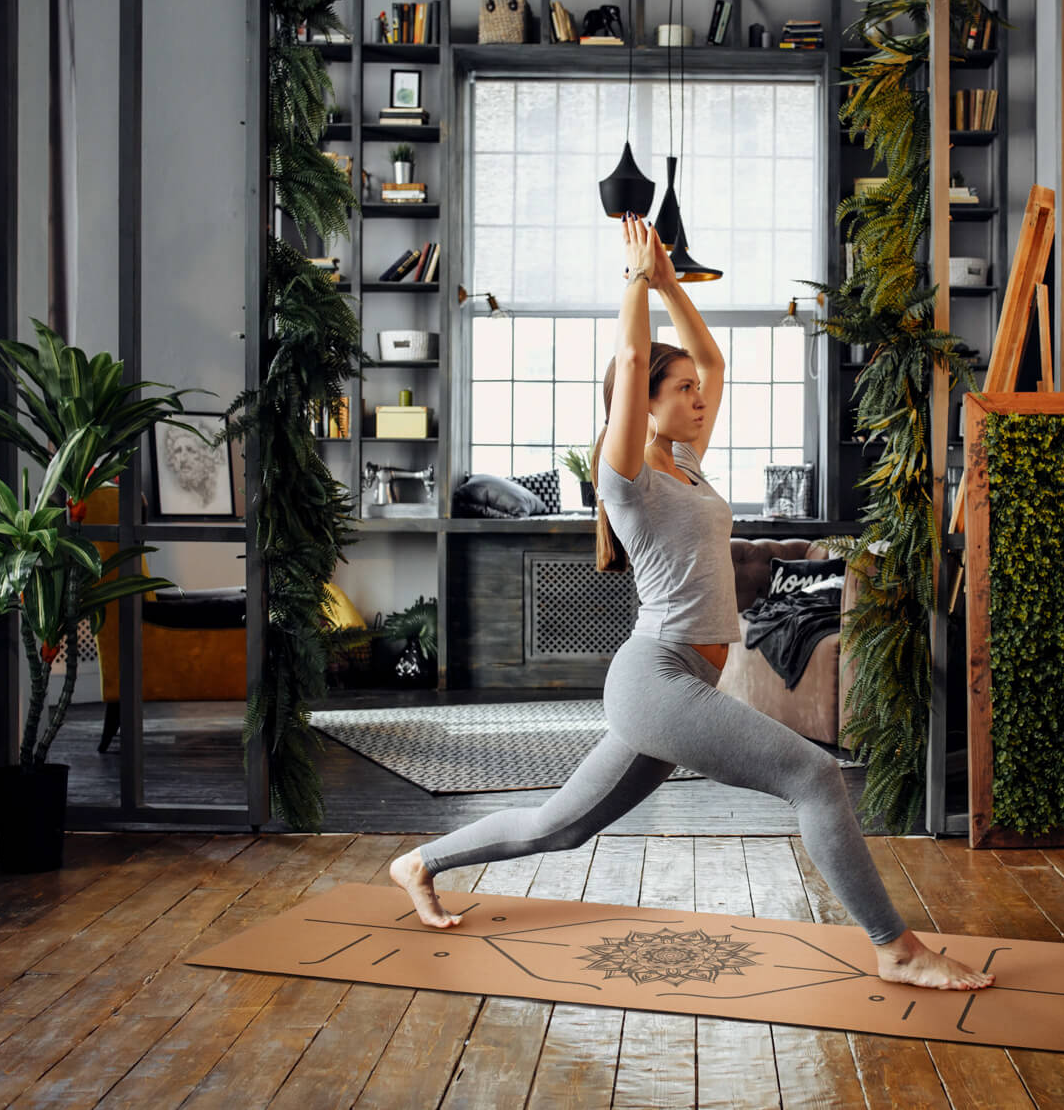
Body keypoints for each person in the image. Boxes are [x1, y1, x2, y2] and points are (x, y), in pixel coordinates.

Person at [389, 216, 993, 992]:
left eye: (698, 392)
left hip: (684, 682)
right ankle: (896, 947)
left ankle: (420, 860)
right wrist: (636, 277)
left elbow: (708, 355)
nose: (700, 396)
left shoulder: (688, 465)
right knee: (815, 775)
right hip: (657, 676)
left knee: (560, 826)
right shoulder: (626, 476)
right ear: (642, 402)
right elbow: (636, 354)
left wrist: (673, 283)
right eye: (682, 392)